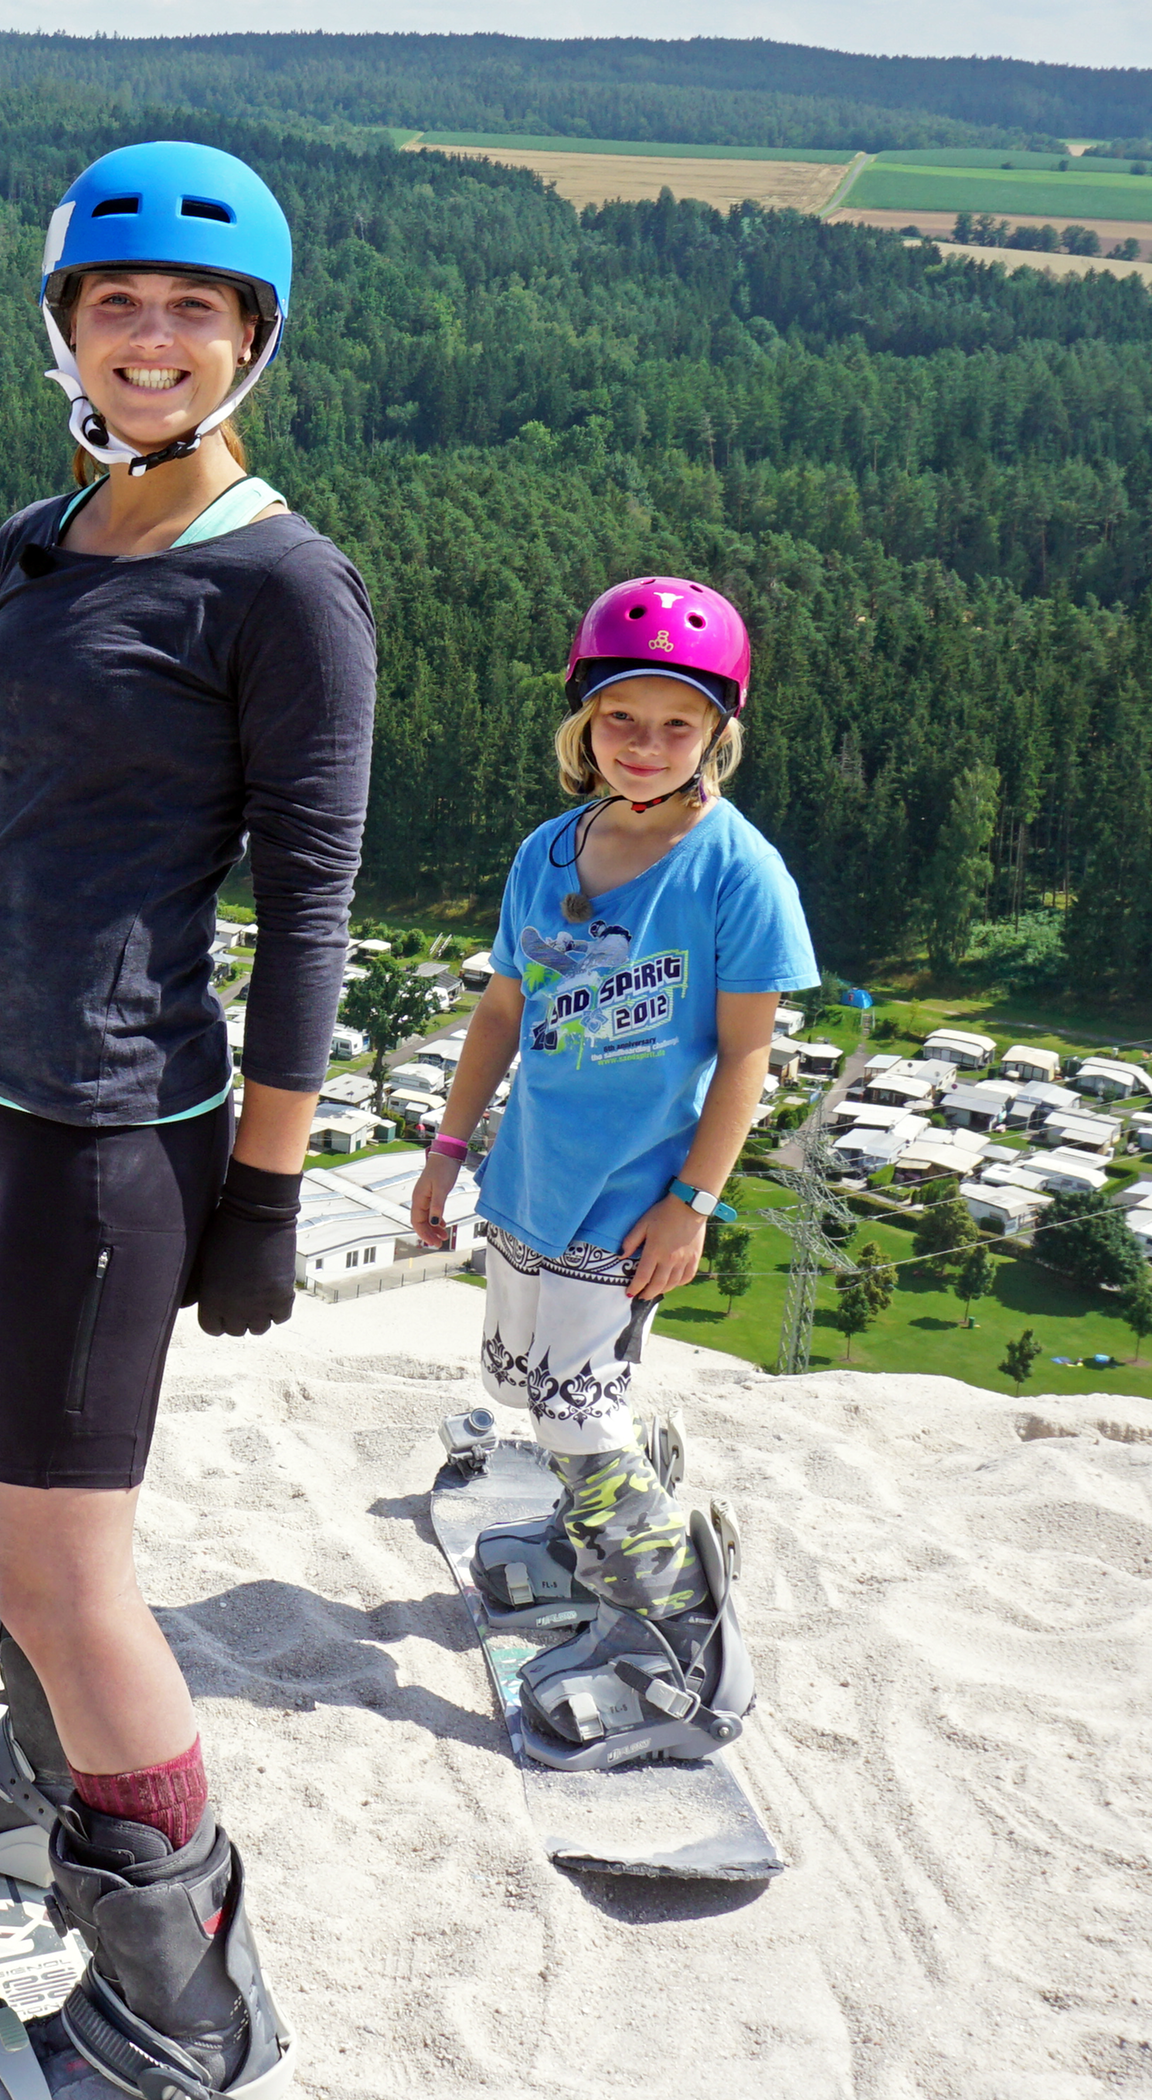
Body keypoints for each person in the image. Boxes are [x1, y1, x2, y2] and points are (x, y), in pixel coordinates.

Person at [0, 141, 366, 2100]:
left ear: (251, 345)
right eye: (118, 308)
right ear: (70, 331)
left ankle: (181, 2022)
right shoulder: (40, 542)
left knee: (71, 1572)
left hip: (108, 1130)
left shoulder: (287, 590)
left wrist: (268, 1182)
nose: (154, 342)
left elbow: (312, 902)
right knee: (11, 1545)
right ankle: (55, 1801)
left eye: (194, 316)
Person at [406, 577, 816, 1770]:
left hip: (633, 1196)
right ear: (582, 723)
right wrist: (447, 1147)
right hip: (535, 1177)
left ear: (719, 734)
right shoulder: (549, 851)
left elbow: (747, 1057)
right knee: (534, 1379)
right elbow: (501, 1009)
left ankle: (681, 1649)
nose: (646, 746)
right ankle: (594, 1530)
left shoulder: (735, 873)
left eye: (676, 725)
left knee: (578, 1413)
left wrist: (692, 1204)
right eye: (622, 721)